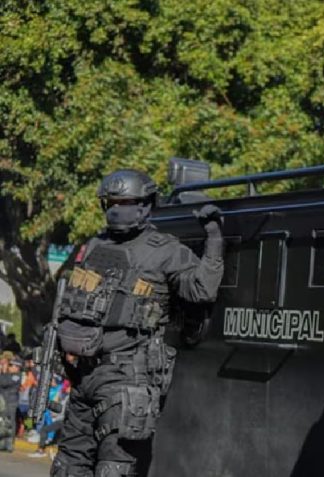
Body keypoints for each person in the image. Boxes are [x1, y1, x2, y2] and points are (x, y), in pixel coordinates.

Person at [51, 169, 225, 477]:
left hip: (127, 377)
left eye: (125, 202)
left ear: (145, 205)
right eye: (110, 202)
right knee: (67, 468)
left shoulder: (165, 250)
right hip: (85, 375)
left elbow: (201, 290)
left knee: (114, 469)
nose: (116, 209)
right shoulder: (96, 244)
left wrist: (214, 238)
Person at [0, 356, 22, 452]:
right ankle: (2, 443)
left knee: (10, 423)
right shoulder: (8, 374)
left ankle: (9, 445)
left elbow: (4, 382)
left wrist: (4, 371)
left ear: (16, 367)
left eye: (10, 365)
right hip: (3, 402)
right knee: (2, 423)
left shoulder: (17, 376)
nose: (9, 367)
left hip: (11, 402)